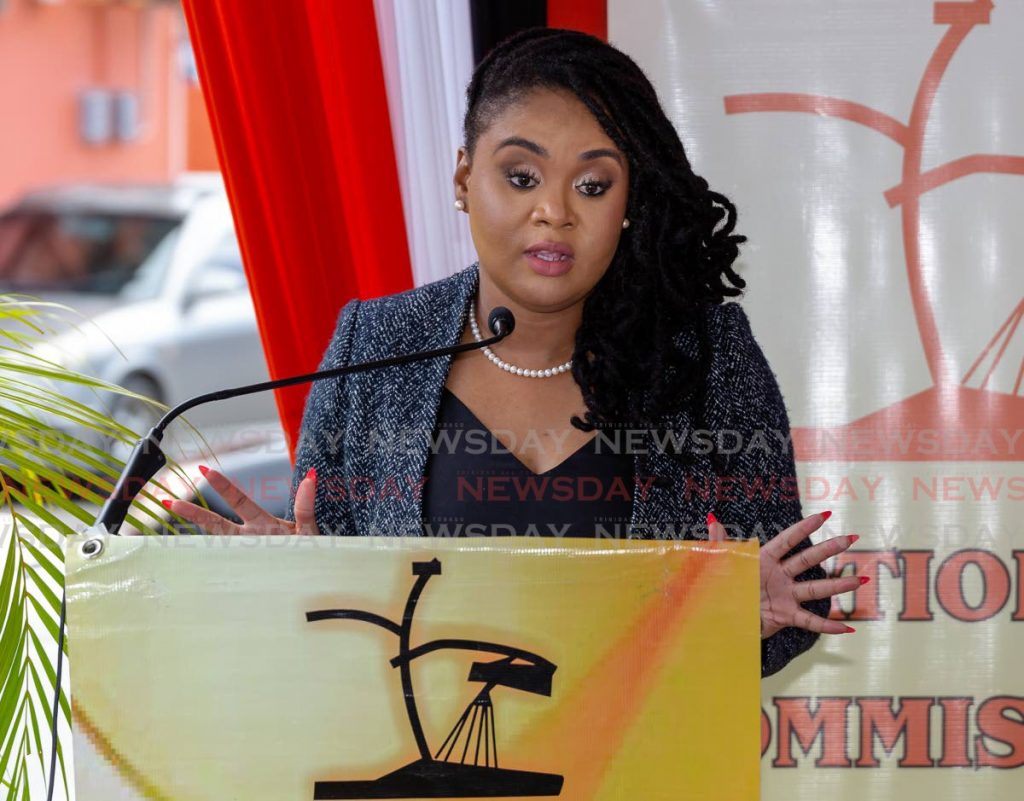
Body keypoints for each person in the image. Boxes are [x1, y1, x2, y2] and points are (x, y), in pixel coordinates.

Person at [166, 28, 861, 677]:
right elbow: (335, 589)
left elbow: (790, 596)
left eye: (592, 185)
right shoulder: (374, 347)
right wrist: (295, 586)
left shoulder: (705, 355)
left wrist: (752, 619)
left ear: (629, 201)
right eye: (522, 176)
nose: (554, 212)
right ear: (465, 179)